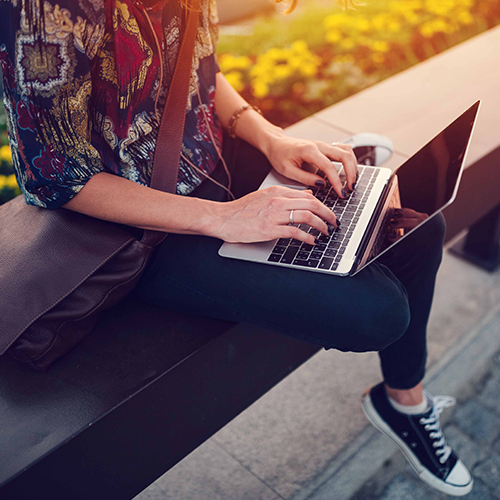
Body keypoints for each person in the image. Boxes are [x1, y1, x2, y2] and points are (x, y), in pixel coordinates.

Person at [0, 0, 473, 495]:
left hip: (211, 159)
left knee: (417, 228)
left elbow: (201, 69)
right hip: (137, 227)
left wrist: (272, 140)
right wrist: (224, 218)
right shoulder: (47, 8)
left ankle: (405, 404)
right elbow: (51, 177)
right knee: (378, 314)